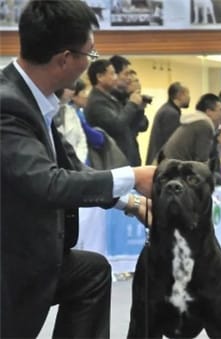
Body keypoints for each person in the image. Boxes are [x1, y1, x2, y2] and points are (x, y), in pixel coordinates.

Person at [0, 1, 155, 337]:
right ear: (66, 59)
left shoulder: (33, 99)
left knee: (91, 272)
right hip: (11, 264)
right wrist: (136, 175)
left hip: (27, 253)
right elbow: (48, 184)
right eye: (91, 54)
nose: (90, 63)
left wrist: (131, 202)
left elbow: (71, 167)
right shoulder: (7, 105)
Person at [146, 82, 190, 164]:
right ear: (179, 95)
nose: (189, 97)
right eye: (187, 94)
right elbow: (171, 143)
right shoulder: (171, 113)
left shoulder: (168, 110)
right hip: (162, 162)